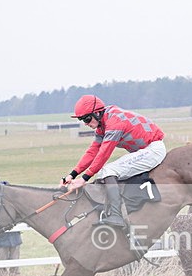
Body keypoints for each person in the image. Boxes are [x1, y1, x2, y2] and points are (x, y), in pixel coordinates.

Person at [63, 95, 167, 228]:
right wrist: (72, 175)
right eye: (82, 120)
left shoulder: (114, 122)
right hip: (145, 150)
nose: (85, 123)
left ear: (97, 112)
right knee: (103, 174)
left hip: (153, 150)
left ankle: (116, 215)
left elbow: (104, 153)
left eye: (87, 119)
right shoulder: (102, 125)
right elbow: (93, 151)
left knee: (108, 170)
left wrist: (84, 178)